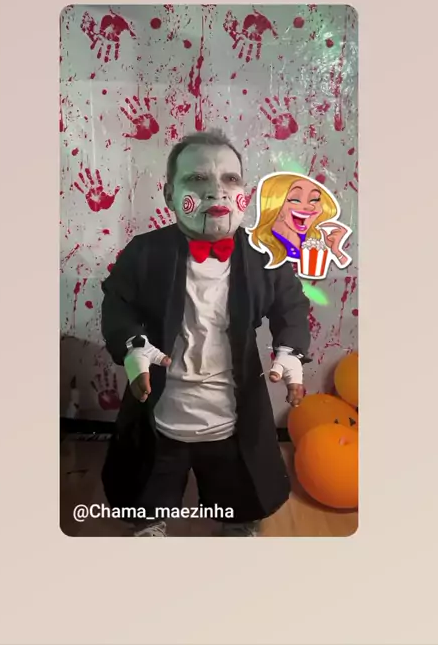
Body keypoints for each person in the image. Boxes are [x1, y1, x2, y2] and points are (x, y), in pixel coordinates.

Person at [100, 130, 311, 537]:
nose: (216, 192)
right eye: (196, 179)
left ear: (244, 194)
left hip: (232, 415)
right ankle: (150, 523)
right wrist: (132, 344)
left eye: (230, 179)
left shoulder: (267, 255)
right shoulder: (144, 252)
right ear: (169, 195)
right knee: (149, 489)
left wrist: (290, 351)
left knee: (237, 493)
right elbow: (118, 303)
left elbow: (292, 306)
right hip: (161, 410)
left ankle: (235, 529)